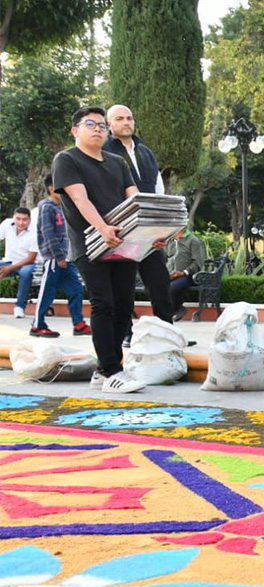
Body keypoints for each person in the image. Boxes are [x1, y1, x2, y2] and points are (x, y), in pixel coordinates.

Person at [53, 106, 147, 394]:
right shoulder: (67, 160)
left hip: (125, 242)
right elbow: (81, 201)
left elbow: (136, 200)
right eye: (90, 124)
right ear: (75, 130)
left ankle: (106, 368)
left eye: (101, 126)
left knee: (123, 306)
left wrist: (152, 232)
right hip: (90, 244)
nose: (97, 129)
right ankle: (111, 371)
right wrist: (103, 229)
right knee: (103, 304)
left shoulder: (118, 162)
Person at [104, 105, 177, 341]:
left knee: (159, 281)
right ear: (109, 124)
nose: (126, 122)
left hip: (149, 227)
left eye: (129, 118)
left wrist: (163, 228)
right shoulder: (104, 150)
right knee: (122, 285)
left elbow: (158, 189)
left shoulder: (145, 152)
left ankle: (167, 331)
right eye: (119, 119)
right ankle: (124, 333)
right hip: (121, 227)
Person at [30, 175, 90, 339]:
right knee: (47, 291)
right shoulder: (46, 207)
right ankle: (37, 325)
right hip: (54, 259)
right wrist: (57, 256)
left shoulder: (63, 207)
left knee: (76, 289)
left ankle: (78, 324)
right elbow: (48, 233)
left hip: (66, 258)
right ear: (51, 188)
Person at [0, 208, 39, 318]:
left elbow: (31, 258)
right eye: (18, 219)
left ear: (30, 220)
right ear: (14, 217)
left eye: (24, 220)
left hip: (27, 264)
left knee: (26, 273)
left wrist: (10, 268)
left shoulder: (35, 231)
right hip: (8, 261)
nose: (21, 222)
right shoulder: (7, 224)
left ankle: (19, 307)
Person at [165, 230, 206, 322]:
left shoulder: (193, 241)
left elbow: (197, 263)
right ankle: (166, 312)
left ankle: (178, 309)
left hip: (189, 276)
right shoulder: (169, 241)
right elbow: (165, 258)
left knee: (172, 287)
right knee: (156, 286)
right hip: (171, 274)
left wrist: (183, 272)